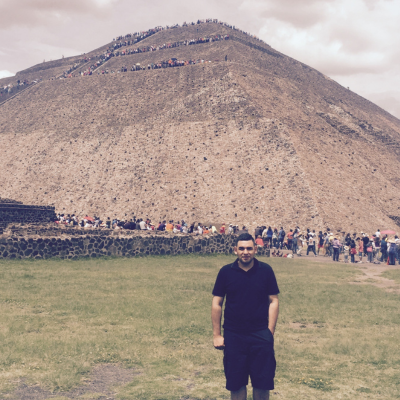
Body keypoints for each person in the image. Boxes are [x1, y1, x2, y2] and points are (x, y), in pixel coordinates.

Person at [211, 233, 279, 400]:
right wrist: (217, 335)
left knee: (262, 383)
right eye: (241, 248)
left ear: (255, 249)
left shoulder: (266, 271)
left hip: (260, 333)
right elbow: (216, 303)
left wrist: (269, 332)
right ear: (235, 250)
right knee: (236, 383)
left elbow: (273, 301)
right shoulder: (226, 272)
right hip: (234, 335)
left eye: (249, 248)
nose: (245, 252)